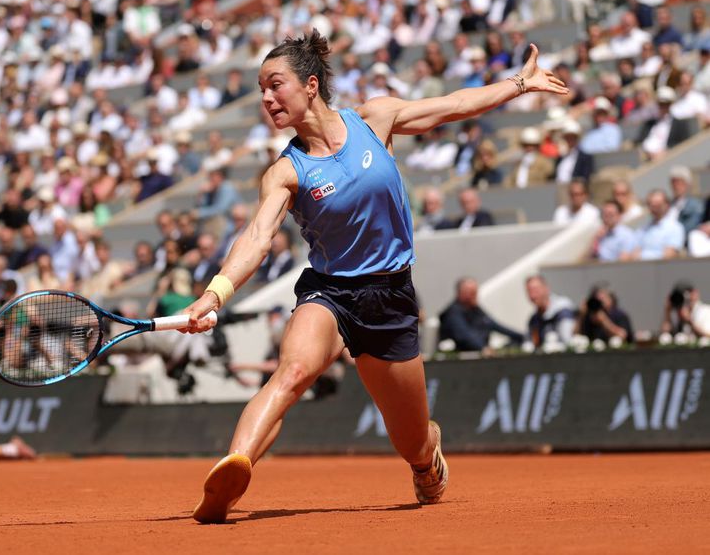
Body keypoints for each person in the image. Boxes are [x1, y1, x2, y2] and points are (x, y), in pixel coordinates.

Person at [180, 30, 567, 523]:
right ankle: (231, 474)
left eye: (275, 85)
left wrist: (519, 83)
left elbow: (454, 104)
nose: (267, 98)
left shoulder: (374, 119)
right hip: (329, 291)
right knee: (293, 373)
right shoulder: (285, 172)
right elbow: (256, 237)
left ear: (311, 85)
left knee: (411, 441)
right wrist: (215, 293)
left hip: (389, 297)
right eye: (261, 89)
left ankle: (427, 459)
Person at [438, 277, 523, 354]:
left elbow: (494, 325)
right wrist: (482, 348)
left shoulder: (476, 310)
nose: (475, 296)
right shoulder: (453, 313)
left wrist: (522, 337)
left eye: (475, 292)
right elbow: (464, 335)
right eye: (472, 293)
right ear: (461, 293)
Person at [625, 189, 685, 261]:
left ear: (667, 205)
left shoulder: (675, 228)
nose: (654, 208)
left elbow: (669, 255)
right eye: (651, 204)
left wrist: (642, 256)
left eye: (658, 204)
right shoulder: (642, 229)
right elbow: (634, 254)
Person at [525, 275, 576, 348]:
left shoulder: (563, 310)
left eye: (536, 290)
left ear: (546, 288)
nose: (533, 296)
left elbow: (568, 342)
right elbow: (529, 344)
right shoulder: (534, 319)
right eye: (529, 291)